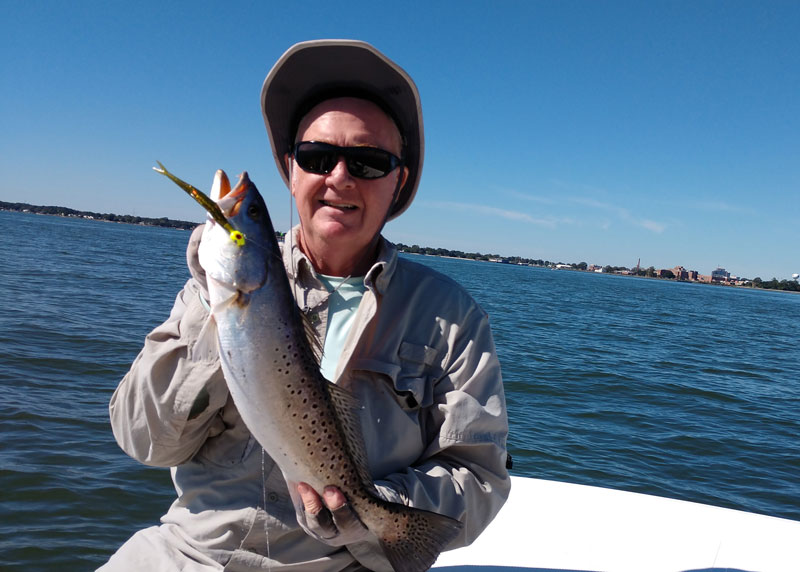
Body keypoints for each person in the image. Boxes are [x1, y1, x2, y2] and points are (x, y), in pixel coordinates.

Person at [101, 39, 510, 572]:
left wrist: (370, 513)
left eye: (368, 162)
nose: (339, 177)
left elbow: (478, 478)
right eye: (319, 158)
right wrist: (209, 303)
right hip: (188, 554)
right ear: (291, 170)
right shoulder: (211, 294)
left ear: (398, 181)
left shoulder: (453, 319)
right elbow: (144, 441)